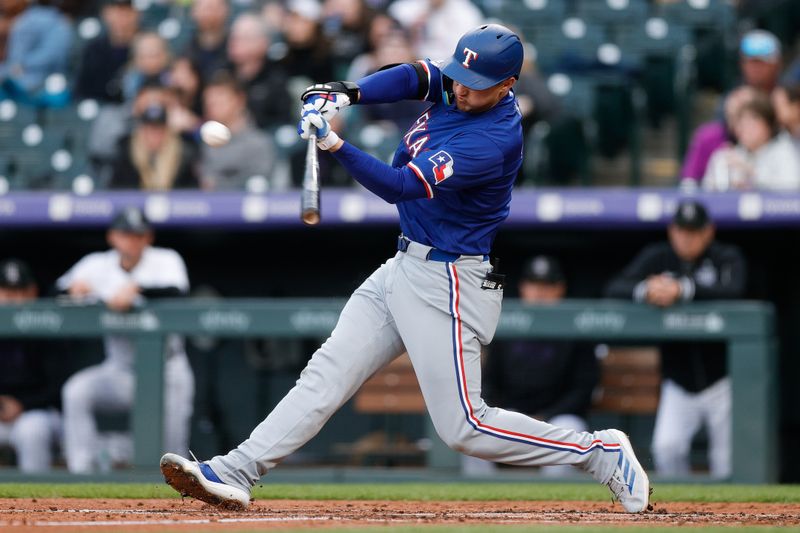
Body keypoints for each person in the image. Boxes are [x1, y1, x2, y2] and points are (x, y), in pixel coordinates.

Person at [160, 24, 650, 514]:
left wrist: (333, 143)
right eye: (460, 77)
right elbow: (417, 76)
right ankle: (235, 469)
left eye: (475, 84)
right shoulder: (463, 86)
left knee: (465, 428)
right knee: (324, 375)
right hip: (403, 265)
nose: (460, 88)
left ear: (508, 85)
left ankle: (598, 453)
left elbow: (400, 186)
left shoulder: (491, 139)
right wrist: (346, 93)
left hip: (450, 281)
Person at [605, 200, 746, 479]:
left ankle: (731, 517)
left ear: (708, 232)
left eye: (694, 230)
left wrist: (684, 289)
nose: (687, 237)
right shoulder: (658, 256)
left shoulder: (726, 256)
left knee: (727, 461)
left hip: (722, 380)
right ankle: (680, 514)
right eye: (682, 230)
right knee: (667, 449)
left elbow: (735, 290)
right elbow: (614, 287)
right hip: (678, 381)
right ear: (672, 231)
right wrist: (646, 289)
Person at [58, 206, 195, 473]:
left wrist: (138, 288)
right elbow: (57, 289)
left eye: (138, 234)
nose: (131, 240)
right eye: (125, 234)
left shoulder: (166, 260)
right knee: (76, 390)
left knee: (171, 453)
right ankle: (81, 471)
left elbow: (178, 291)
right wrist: (73, 289)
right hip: (119, 369)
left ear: (148, 237)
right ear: (112, 237)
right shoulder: (96, 264)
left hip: (167, 370)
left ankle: (114, 451)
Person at [464, 255, 599, 478]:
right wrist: (508, 416)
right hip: (512, 415)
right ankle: (481, 508)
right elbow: (489, 383)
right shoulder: (507, 325)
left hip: (558, 418)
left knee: (569, 432)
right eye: (534, 284)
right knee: (473, 439)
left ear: (560, 289)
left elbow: (583, 389)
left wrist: (545, 417)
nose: (539, 292)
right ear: (524, 287)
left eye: (547, 285)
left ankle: (559, 511)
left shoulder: (575, 327)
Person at [680, 29, 782, 184]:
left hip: (776, 147)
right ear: (742, 63)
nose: (756, 68)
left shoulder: (785, 95)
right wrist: (738, 114)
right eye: (751, 62)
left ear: (775, 64)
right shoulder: (735, 95)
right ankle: (689, 186)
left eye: (762, 62)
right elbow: (728, 128)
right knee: (708, 136)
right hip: (740, 146)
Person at [0, 258, 63, 473]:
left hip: (38, 413)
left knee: (31, 430)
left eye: (20, 292)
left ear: (33, 292)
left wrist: (23, 405)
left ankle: (36, 500)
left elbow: (57, 386)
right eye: (8, 293)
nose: (15, 300)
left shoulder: (49, 326)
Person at [198, 72, 280, 191]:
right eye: (209, 103)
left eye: (219, 102)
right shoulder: (207, 142)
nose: (212, 107)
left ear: (240, 100)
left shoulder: (259, 143)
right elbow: (207, 183)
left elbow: (259, 186)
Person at [702, 92, 800, 190]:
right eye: (741, 123)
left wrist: (752, 173)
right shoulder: (725, 157)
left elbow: (792, 189)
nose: (745, 128)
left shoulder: (784, 151)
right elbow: (708, 192)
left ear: (768, 125)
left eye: (752, 121)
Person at [108, 101, 200, 190]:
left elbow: (191, 192)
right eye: (150, 129)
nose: (154, 135)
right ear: (142, 131)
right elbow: (116, 190)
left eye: (159, 129)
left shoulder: (183, 154)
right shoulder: (127, 151)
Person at [0, 0, 73, 104]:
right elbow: (15, 58)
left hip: (45, 82)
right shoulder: (23, 20)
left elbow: (51, 55)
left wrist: (23, 65)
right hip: (16, 80)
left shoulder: (58, 23)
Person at [74, 0, 140, 103]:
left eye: (125, 12)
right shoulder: (94, 49)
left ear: (135, 14)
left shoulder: (146, 47)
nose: (120, 18)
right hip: (101, 108)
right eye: (115, 12)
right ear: (105, 14)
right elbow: (82, 91)